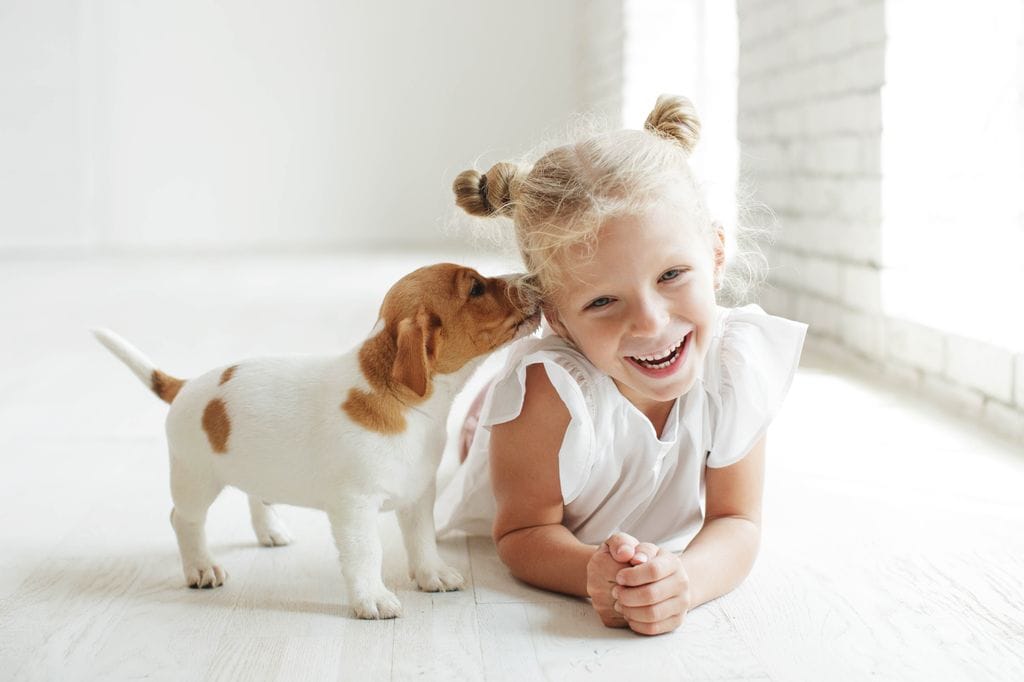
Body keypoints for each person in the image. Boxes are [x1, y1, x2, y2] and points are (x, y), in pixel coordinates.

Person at [435, 95, 807, 636]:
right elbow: (520, 534)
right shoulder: (549, 394)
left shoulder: (734, 363)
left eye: (672, 275)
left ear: (716, 254)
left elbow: (737, 519)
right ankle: (480, 420)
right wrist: (591, 571)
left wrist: (685, 581)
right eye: (603, 301)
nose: (651, 323)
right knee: (483, 428)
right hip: (535, 438)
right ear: (556, 317)